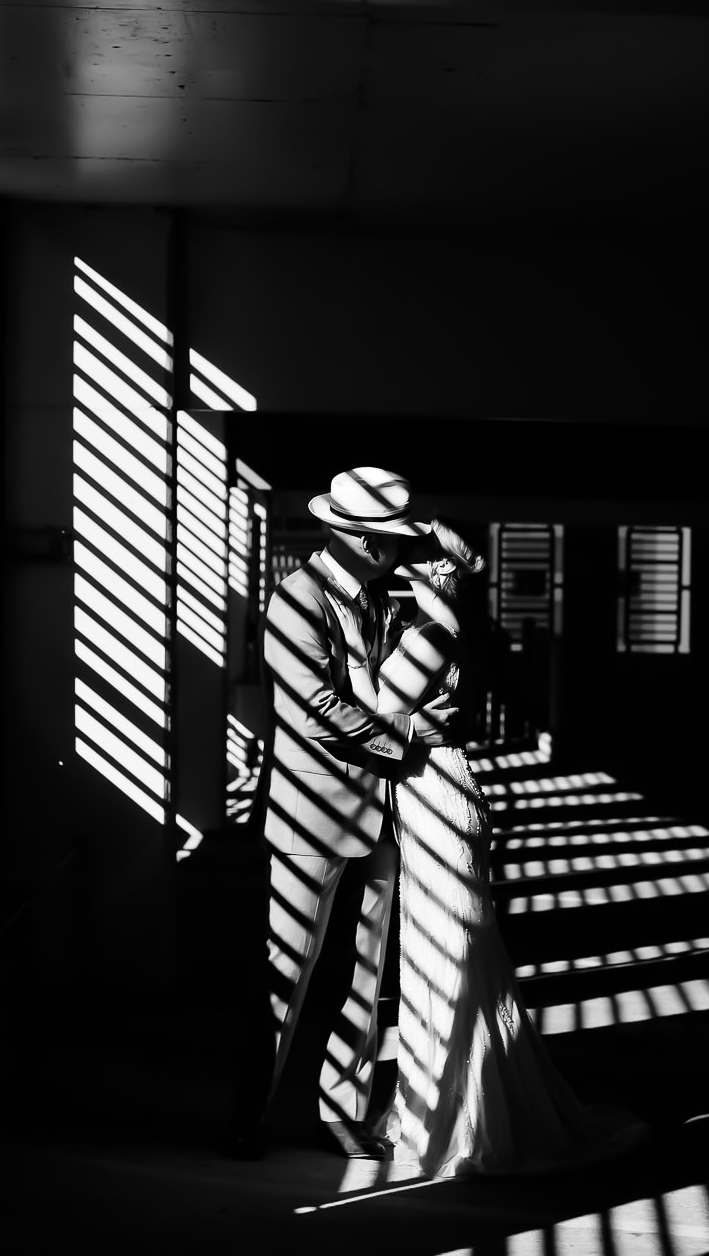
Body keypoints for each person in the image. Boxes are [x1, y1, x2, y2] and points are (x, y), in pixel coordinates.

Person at [372, 519, 649, 1178]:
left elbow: (382, 714)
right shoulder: (444, 625)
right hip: (435, 788)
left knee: (448, 951)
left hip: (436, 792)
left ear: (434, 573)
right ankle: (433, 1105)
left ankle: (454, 1115)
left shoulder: (432, 629)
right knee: (444, 948)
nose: (398, 561)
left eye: (413, 558)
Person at [232, 466, 441, 1161]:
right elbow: (316, 710)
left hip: (383, 812)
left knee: (367, 971)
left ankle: (339, 1112)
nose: (394, 550)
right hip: (312, 813)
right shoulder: (295, 600)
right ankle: (246, 1113)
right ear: (348, 533)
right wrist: (408, 742)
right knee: (286, 968)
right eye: (383, 538)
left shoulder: (387, 598)